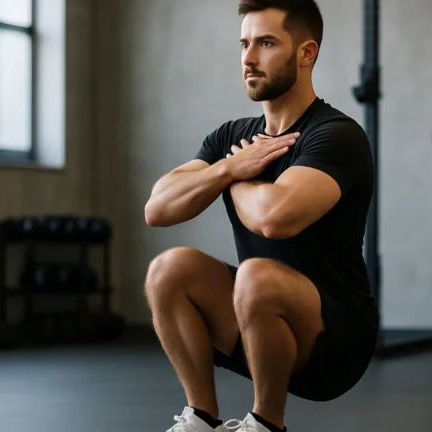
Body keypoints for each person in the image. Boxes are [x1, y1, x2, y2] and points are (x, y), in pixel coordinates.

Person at [143, 1, 378, 431]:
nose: (248, 58)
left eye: (266, 43)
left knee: (256, 276)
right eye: (245, 44)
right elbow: (157, 207)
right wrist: (231, 167)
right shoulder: (233, 139)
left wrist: (229, 176)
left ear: (306, 53)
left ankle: (266, 424)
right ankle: (200, 418)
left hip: (334, 340)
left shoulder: (336, 136)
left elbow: (275, 218)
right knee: (167, 269)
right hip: (255, 322)